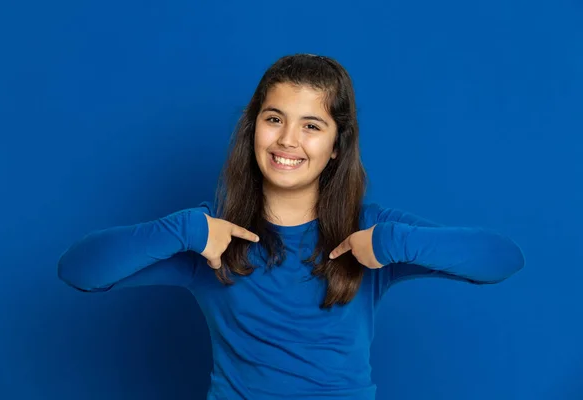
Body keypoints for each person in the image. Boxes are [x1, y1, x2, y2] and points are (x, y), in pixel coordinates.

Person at [57, 53, 525, 399]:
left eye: (311, 126)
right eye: (274, 119)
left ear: (337, 146)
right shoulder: (211, 238)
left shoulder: (370, 232)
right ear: (253, 127)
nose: (287, 140)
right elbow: (79, 271)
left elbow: (501, 259)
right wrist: (185, 229)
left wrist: (391, 241)